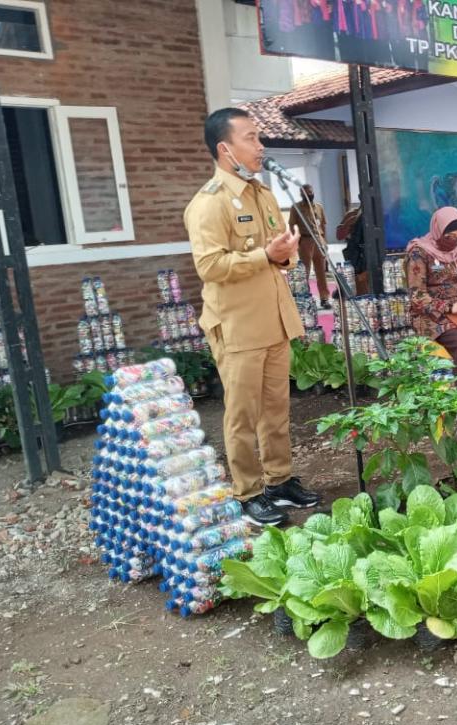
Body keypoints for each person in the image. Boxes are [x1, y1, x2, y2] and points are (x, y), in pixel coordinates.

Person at [184, 108, 321, 527]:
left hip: (274, 320)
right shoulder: (209, 204)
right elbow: (209, 266)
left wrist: (284, 253)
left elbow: (280, 255)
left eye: (259, 137)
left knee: (277, 410)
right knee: (242, 416)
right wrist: (265, 255)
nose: (261, 146)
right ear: (225, 149)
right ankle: (248, 493)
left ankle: (279, 481)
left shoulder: (262, 195)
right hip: (238, 326)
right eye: (251, 138)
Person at [406, 207, 457, 369]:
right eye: (450, 237)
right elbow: (417, 296)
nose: (454, 241)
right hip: (433, 316)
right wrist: (450, 307)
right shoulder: (419, 252)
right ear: (438, 230)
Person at [289, 184, 331, 308]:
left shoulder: (319, 207)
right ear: (301, 194)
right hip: (305, 241)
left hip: (318, 241)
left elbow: (323, 225)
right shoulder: (296, 208)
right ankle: (304, 298)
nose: (309, 195)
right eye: (306, 193)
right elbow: (291, 225)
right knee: (305, 271)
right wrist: (296, 241)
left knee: (321, 271)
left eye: (311, 192)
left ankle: (324, 298)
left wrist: (324, 242)